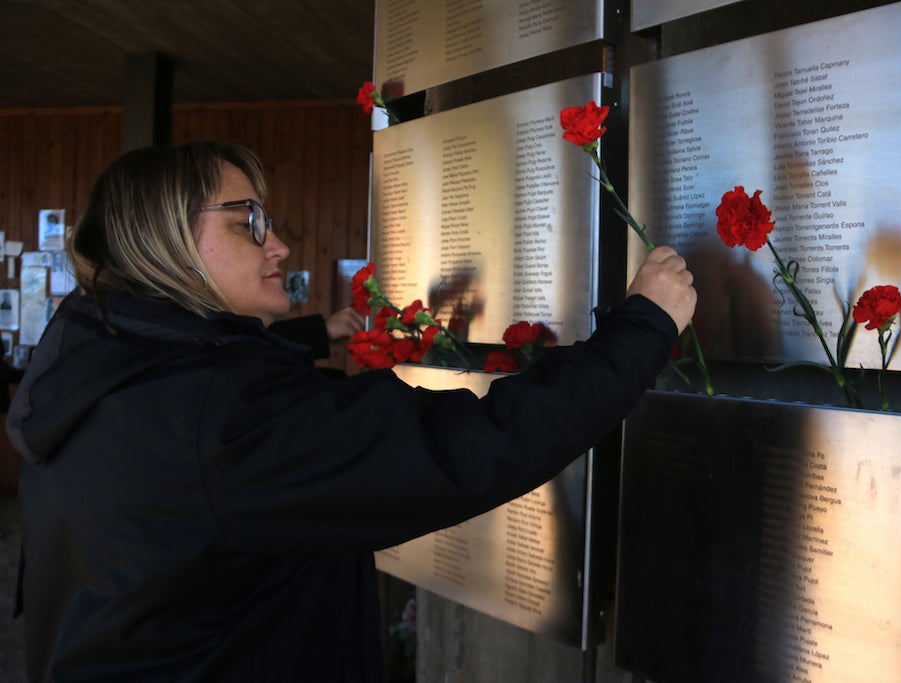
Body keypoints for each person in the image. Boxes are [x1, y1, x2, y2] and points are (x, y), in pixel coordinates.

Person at [6, 141, 696, 682]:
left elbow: (198, 385)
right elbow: (462, 446)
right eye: (247, 221)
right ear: (166, 240)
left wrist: (311, 333)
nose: (276, 242)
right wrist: (639, 332)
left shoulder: (101, 363)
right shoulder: (221, 418)